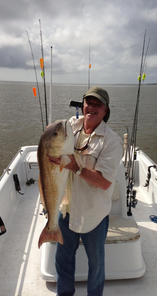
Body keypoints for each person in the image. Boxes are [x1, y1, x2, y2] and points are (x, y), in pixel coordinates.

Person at [49, 87, 123, 296]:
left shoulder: (111, 141)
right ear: (82, 105)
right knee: (63, 259)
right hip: (66, 210)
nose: (91, 107)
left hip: (93, 214)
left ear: (105, 110)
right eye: (88, 102)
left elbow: (105, 183)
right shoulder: (71, 126)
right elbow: (52, 130)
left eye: (97, 104)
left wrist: (77, 167)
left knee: (96, 263)